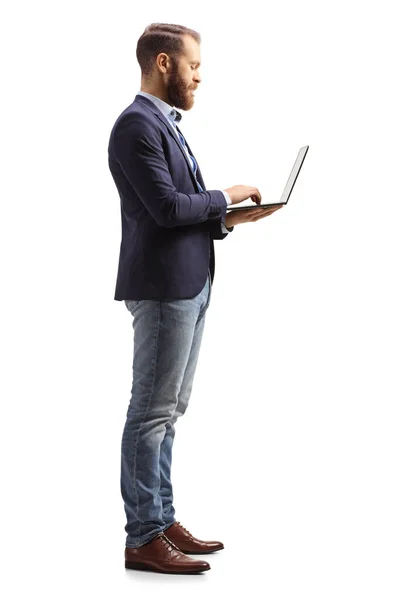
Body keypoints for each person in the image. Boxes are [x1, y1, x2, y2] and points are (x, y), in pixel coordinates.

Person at [108, 22, 282, 575]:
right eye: (193, 66)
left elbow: (182, 212)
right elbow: (167, 209)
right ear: (164, 63)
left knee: (170, 410)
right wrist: (225, 194)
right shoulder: (136, 125)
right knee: (151, 411)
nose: (198, 77)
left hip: (188, 282)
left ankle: (160, 518)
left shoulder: (165, 124)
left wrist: (230, 219)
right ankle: (142, 537)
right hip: (163, 289)